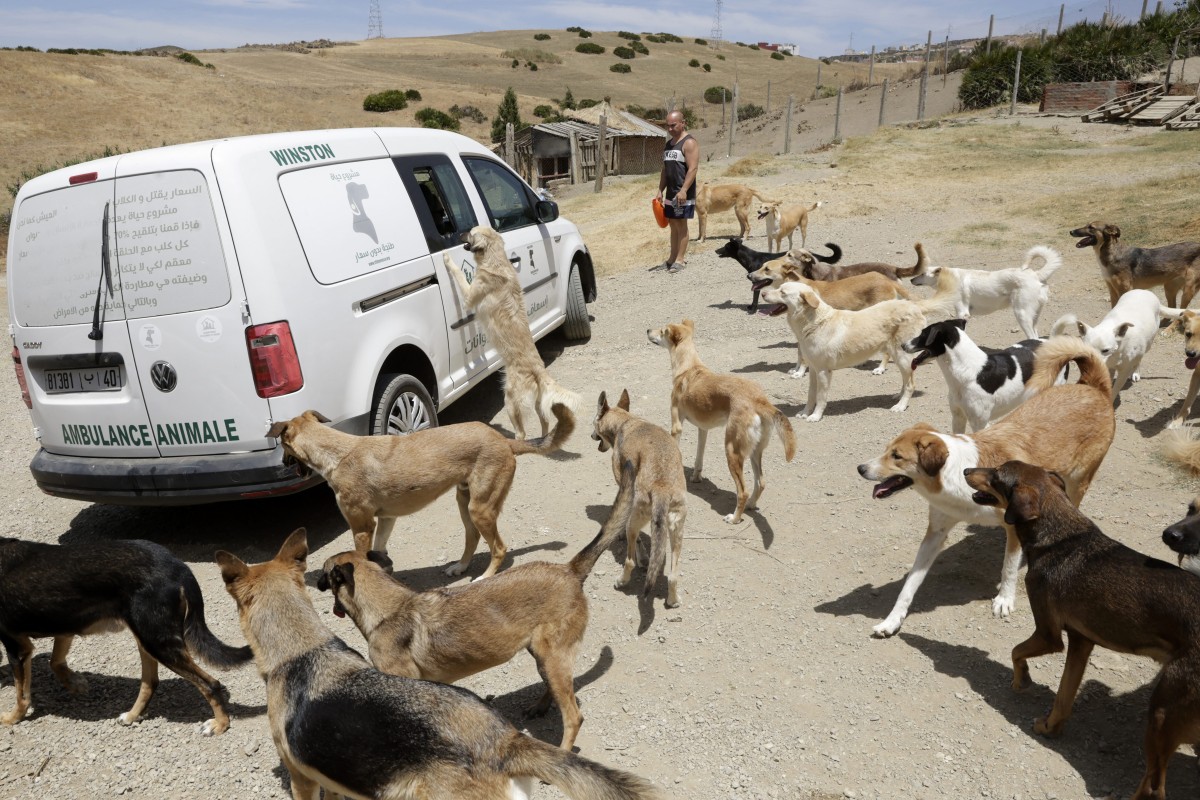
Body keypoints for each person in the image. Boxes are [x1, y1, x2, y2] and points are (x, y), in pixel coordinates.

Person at [654, 109, 699, 273]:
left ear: (683, 123)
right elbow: (665, 170)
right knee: (673, 224)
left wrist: (684, 190)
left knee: (681, 224)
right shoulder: (669, 144)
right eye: (668, 126)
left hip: (682, 192)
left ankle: (680, 260)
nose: (670, 129)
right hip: (670, 193)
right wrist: (660, 189)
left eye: (673, 125)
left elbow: (693, 169)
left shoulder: (689, 143)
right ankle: (671, 259)